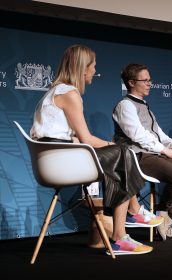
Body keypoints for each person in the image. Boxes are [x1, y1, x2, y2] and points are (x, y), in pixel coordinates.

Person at [30, 45, 163, 255]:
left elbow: (67, 136)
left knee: (121, 156)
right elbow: (86, 139)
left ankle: (126, 225)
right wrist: (114, 145)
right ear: (83, 68)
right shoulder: (70, 93)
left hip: (54, 157)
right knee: (123, 152)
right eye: (93, 66)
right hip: (60, 161)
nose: (95, 71)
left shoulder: (56, 91)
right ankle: (128, 222)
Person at [113, 63, 172, 241]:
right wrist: (164, 150)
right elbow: (138, 135)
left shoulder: (145, 105)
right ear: (132, 83)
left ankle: (167, 215)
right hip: (138, 157)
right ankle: (164, 212)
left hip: (155, 154)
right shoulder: (125, 105)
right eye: (145, 80)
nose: (150, 83)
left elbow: (158, 133)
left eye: (150, 80)